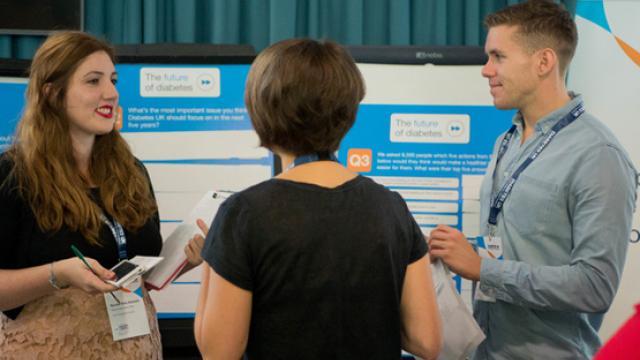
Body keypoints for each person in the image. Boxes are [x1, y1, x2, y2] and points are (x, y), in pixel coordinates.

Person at [193, 38, 441, 360]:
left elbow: (219, 352)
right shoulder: (391, 207)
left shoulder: (243, 215)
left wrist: (214, 257)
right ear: (348, 109)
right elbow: (427, 342)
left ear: (260, 109)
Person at [427, 1, 638, 359]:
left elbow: (595, 286)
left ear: (544, 62)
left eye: (498, 56)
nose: (485, 70)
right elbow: (519, 254)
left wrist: (484, 269)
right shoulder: (506, 140)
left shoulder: (598, 155)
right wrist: (466, 256)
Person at [0, 31, 203, 358]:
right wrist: (58, 274)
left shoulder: (131, 171)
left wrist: (184, 260)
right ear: (52, 94)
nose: (111, 93)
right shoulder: (13, 176)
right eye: (93, 81)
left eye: (113, 80)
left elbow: (137, 271)